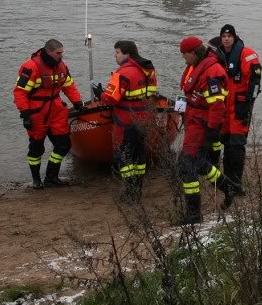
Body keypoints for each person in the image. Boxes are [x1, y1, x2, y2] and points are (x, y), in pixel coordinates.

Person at [177, 37, 242, 223]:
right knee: (194, 162)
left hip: (202, 125)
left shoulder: (212, 72)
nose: (184, 59)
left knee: (187, 166)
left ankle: (194, 214)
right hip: (195, 121)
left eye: (185, 55)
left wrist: (212, 130)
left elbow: (217, 105)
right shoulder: (202, 66)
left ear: (193, 53)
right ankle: (229, 187)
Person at [13, 39, 84, 189]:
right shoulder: (30, 67)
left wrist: (77, 102)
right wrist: (25, 114)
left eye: (62, 53)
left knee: (64, 145)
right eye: (58, 53)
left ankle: (51, 178)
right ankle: (36, 180)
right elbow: (20, 92)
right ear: (49, 51)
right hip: (36, 111)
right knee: (37, 148)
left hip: (56, 110)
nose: (61, 56)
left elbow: (69, 86)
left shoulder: (61, 66)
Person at [99, 40, 157, 202]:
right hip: (144, 119)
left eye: (117, 52)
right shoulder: (148, 70)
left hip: (125, 121)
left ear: (127, 54)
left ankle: (130, 192)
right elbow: (151, 92)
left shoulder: (123, 73)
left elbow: (111, 99)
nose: (115, 55)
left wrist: (100, 95)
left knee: (123, 156)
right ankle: (137, 189)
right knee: (139, 156)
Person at [216, 24, 262, 208]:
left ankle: (237, 182)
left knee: (236, 145)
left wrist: (249, 103)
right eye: (223, 36)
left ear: (234, 37)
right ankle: (229, 180)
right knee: (226, 142)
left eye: (229, 36)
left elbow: (256, 80)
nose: (226, 39)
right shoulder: (218, 55)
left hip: (240, 105)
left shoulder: (247, 54)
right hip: (225, 107)